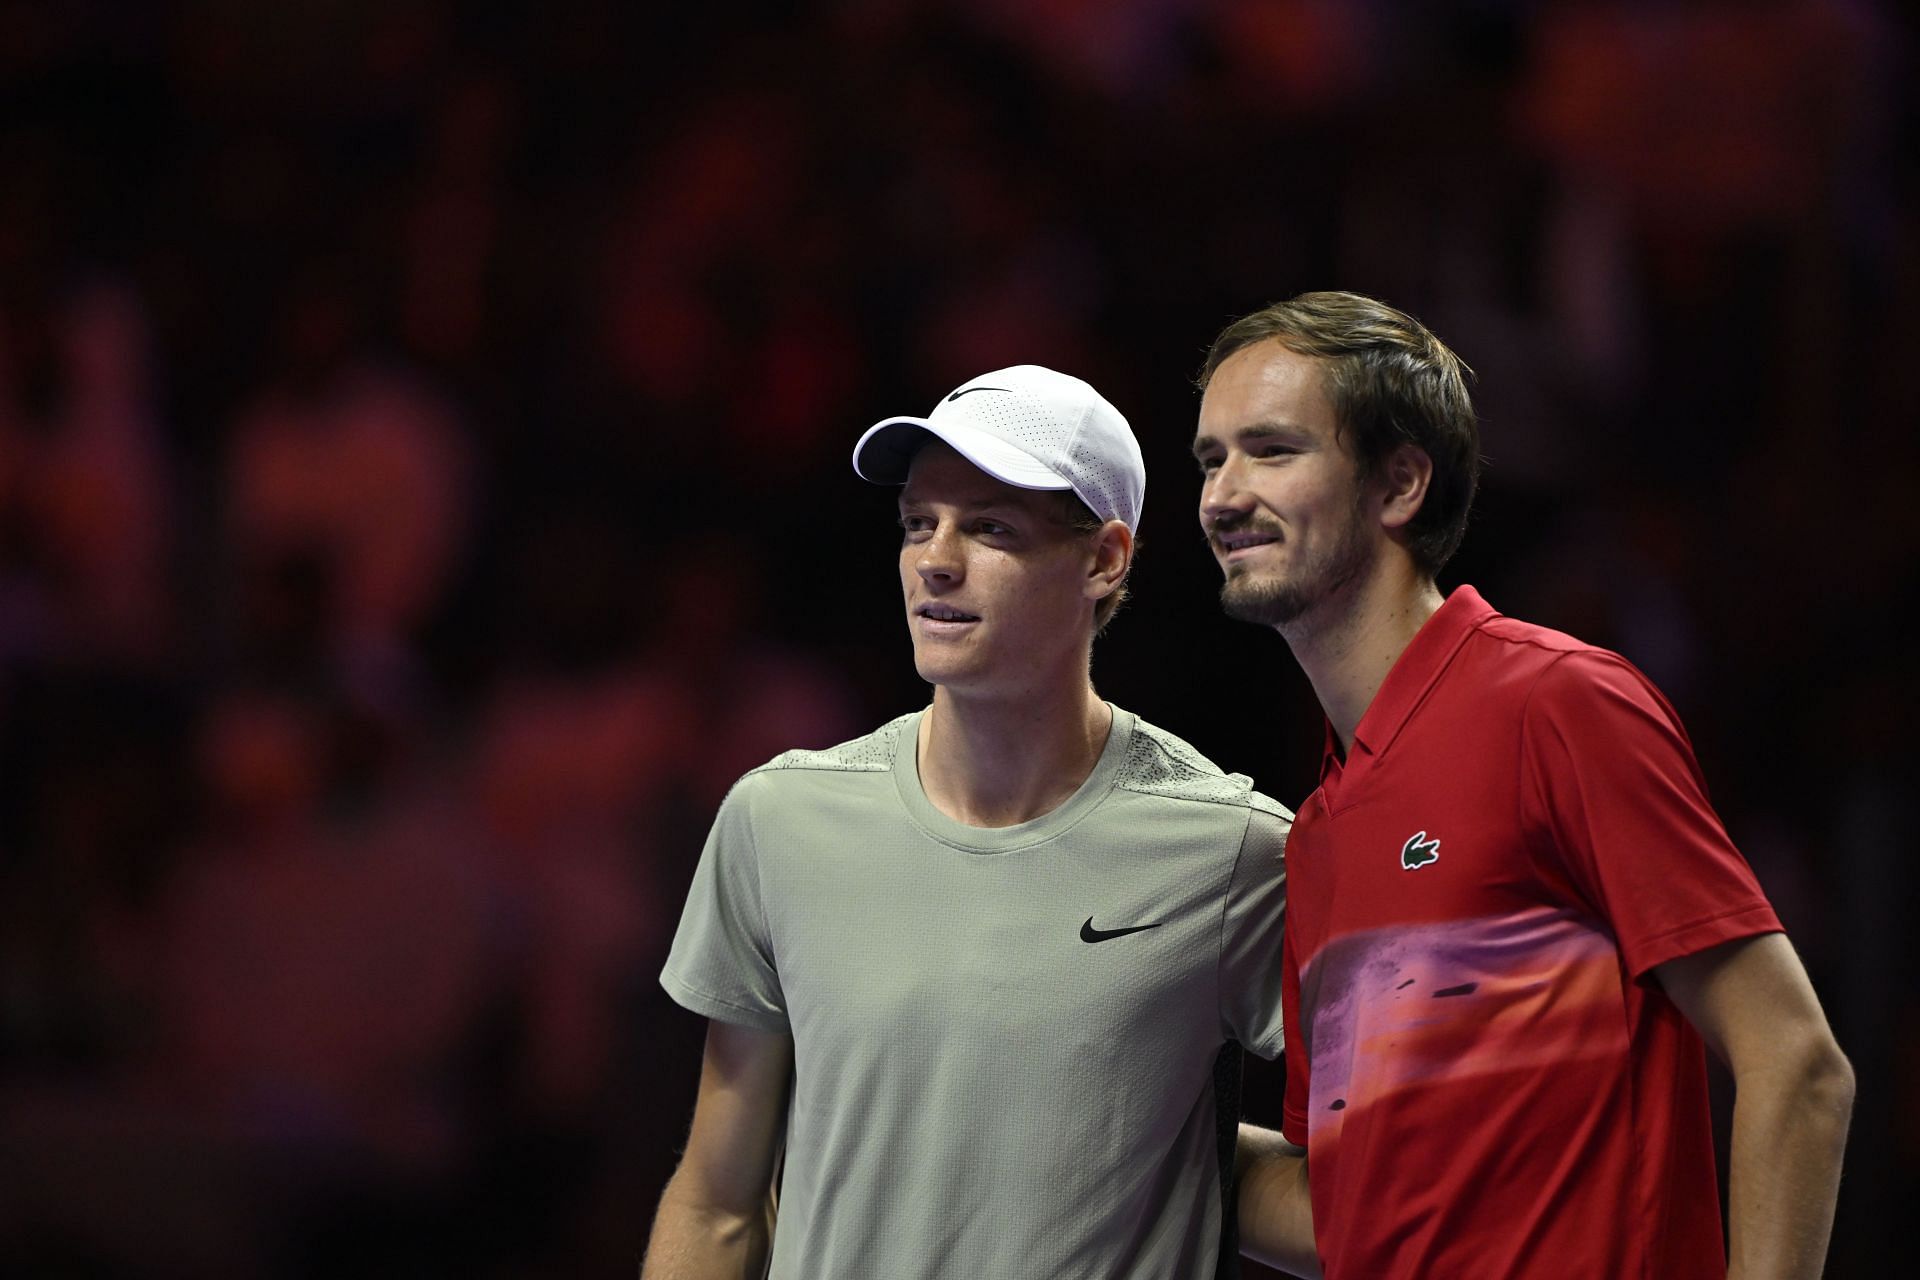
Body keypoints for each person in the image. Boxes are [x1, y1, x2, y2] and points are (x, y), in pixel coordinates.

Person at [1190, 291, 1854, 1279]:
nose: (1222, 495)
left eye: (1272, 449)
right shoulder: (1319, 832)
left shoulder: (1556, 704)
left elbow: (1795, 1062)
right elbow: (1346, 1211)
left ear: (1400, 483)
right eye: (1211, 458)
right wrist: (1103, 1100)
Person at [643, 364, 1292, 1279]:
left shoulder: (1234, 852)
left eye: (990, 527)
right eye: (918, 522)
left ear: (1105, 561)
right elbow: (716, 1203)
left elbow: (1380, 1172)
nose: (936, 559)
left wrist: (1179, 1158)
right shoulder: (779, 821)